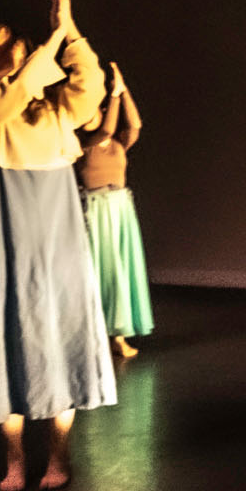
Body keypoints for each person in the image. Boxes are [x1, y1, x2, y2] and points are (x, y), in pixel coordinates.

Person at [0, 0, 118, 491]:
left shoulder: (55, 111)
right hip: (4, 234)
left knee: (58, 340)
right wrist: (45, 48)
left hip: (54, 235)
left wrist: (69, 34)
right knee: (6, 343)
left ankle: (59, 459)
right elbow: (6, 99)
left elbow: (89, 89)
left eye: (4, 50)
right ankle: (15, 461)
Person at [78, 59, 155, 359]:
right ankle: (96, 337)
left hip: (120, 208)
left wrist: (122, 93)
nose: (89, 118)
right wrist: (113, 95)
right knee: (101, 273)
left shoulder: (119, 145)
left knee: (121, 271)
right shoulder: (84, 143)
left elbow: (133, 124)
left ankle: (118, 336)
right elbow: (107, 127)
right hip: (95, 211)